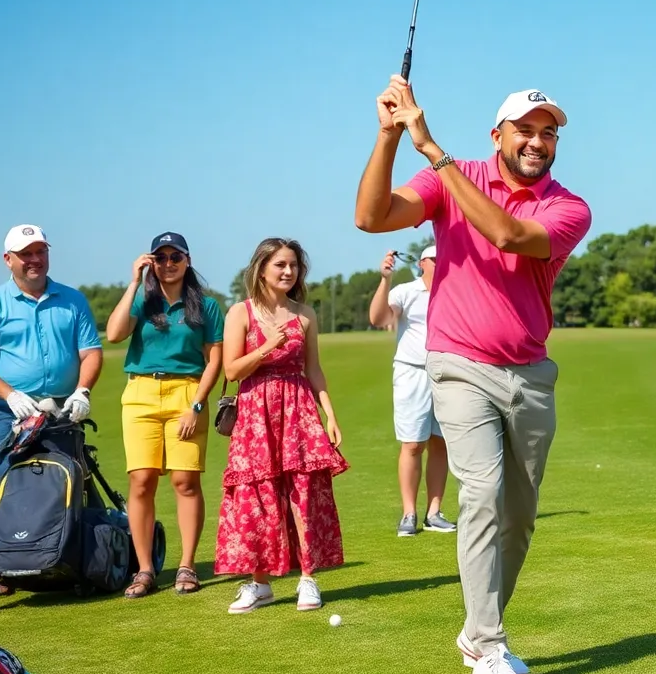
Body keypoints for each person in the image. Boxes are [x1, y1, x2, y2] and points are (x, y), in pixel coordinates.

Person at [354, 78, 591, 674]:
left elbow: (511, 237)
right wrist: (388, 135)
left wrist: (432, 149)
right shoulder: (448, 180)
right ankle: (488, 644)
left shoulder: (569, 207)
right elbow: (371, 217)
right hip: (458, 363)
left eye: (549, 133)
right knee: (481, 492)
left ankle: (478, 630)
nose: (537, 141)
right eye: (525, 129)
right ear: (498, 136)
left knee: (519, 516)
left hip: (531, 372)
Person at [214, 238, 349, 615]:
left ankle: (308, 579)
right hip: (255, 412)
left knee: (303, 492)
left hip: (298, 407)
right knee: (257, 497)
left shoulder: (305, 314)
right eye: (280, 265)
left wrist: (330, 414)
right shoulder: (239, 313)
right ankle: (260, 585)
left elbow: (314, 369)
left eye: (293, 265)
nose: (288, 271)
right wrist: (266, 347)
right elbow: (231, 371)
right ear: (261, 269)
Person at [0, 225, 103, 595]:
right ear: (8, 260)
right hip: (10, 413)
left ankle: (66, 556)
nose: (34, 260)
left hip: (63, 412)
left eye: (40, 252)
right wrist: (10, 394)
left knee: (69, 481)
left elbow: (91, 352)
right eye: (25, 254)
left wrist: (82, 390)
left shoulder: (72, 299)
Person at [104, 232, 225, 598]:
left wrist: (198, 405)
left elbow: (214, 359)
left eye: (176, 257)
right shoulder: (143, 299)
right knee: (141, 481)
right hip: (140, 393)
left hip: (187, 394)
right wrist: (133, 283)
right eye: (161, 258)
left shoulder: (206, 306)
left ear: (188, 261)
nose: (168, 264)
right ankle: (144, 570)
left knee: (185, 482)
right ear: (151, 262)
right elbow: (113, 334)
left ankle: (187, 565)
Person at [368, 244, 454, 537]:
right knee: (413, 444)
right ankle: (409, 513)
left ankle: (434, 512)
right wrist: (385, 279)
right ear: (422, 263)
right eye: (435, 259)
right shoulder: (405, 291)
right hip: (411, 372)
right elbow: (379, 319)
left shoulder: (455, 290)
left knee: (441, 442)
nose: (441, 263)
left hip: (448, 372)